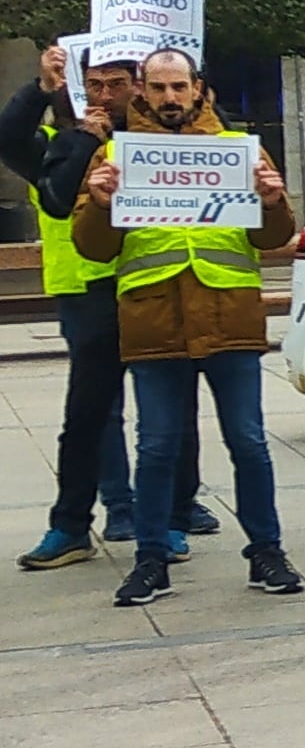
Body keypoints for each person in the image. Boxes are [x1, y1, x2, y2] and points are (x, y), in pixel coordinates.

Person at [76, 47, 305, 606]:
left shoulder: (236, 152)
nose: (170, 98)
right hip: (154, 320)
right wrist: (102, 203)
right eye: (158, 88)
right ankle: (151, 558)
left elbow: (273, 238)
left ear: (198, 89)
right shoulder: (115, 156)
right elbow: (92, 245)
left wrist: (272, 203)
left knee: (249, 443)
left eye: (179, 87)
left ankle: (267, 551)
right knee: (155, 447)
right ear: (141, 93)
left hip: (229, 318)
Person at [4, 42, 164, 569]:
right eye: (92, 84)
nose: (103, 96)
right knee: (90, 413)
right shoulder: (55, 142)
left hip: (147, 283)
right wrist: (41, 90)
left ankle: (172, 515)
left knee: (167, 413)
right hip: (87, 292)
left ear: (136, 87)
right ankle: (76, 523)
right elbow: (13, 147)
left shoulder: (153, 136)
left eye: (115, 84)